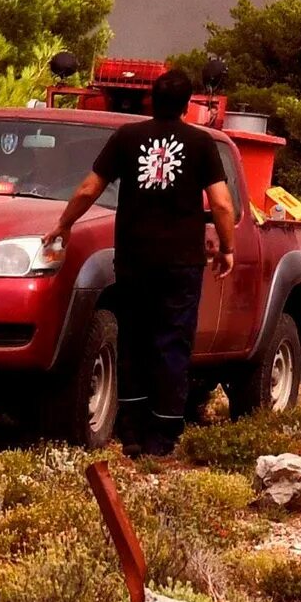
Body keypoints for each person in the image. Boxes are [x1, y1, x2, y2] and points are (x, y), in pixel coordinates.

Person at [51, 69, 237, 455]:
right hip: (182, 263)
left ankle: (131, 431)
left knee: (134, 338)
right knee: (172, 342)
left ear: (152, 100)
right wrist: (227, 248)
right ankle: (163, 435)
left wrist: (63, 225)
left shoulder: (127, 138)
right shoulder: (201, 144)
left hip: (134, 258)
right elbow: (220, 202)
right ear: (189, 104)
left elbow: (89, 188)